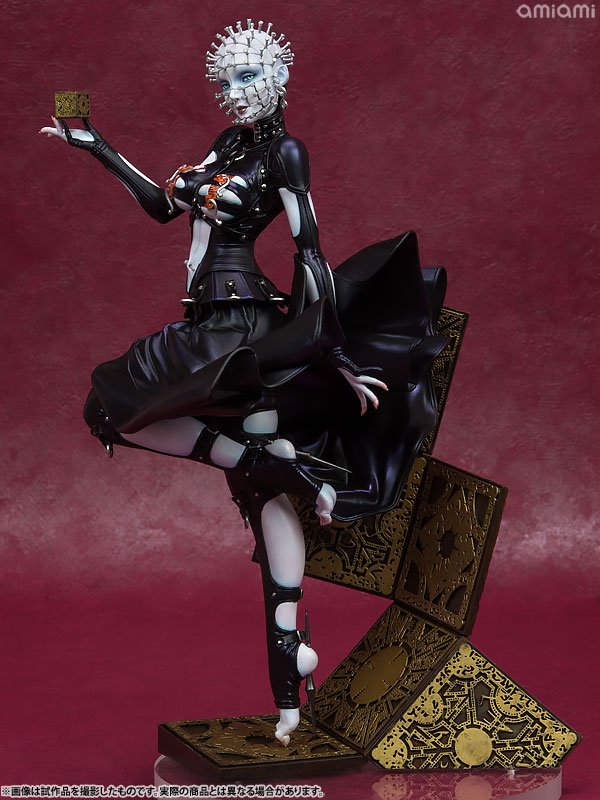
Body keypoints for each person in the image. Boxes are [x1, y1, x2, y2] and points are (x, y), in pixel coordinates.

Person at [40, 19, 448, 746]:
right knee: (222, 467)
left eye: (247, 77)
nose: (233, 92)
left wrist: (331, 349)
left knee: (126, 416)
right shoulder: (226, 145)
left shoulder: (285, 153)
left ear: (278, 78)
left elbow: (310, 250)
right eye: (225, 80)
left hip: (238, 324)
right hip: (207, 319)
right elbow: (162, 205)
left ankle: (289, 687)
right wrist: (96, 145)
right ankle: (285, 503)